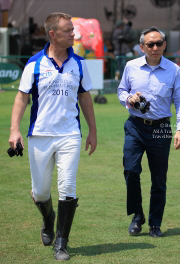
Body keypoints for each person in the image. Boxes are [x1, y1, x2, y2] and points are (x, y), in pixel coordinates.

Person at [8, 12, 97, 261]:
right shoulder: (34, 63)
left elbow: (85, 98)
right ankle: (48, 220)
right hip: (40, 135)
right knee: (41, 192)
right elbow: (22, 98)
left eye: (72, 30)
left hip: (70, 134)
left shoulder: (79, 63)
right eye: (68, 30)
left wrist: (92, 130)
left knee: (67, 187)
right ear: (53, 34)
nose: (74, 34)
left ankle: (61, 242)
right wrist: (14, 130)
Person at [118, 26, 180, 237]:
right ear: (142, 47)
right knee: (131, 170)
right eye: (150, 44)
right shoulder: (131, 67)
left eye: (159, 43)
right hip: (135, 126)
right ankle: (137, 215)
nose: (155, 47)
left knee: (158, 178)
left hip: (161, 128)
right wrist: (128, 99)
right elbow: (121, 90)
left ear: (165, 45)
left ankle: (155, 223)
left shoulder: (174, 70)